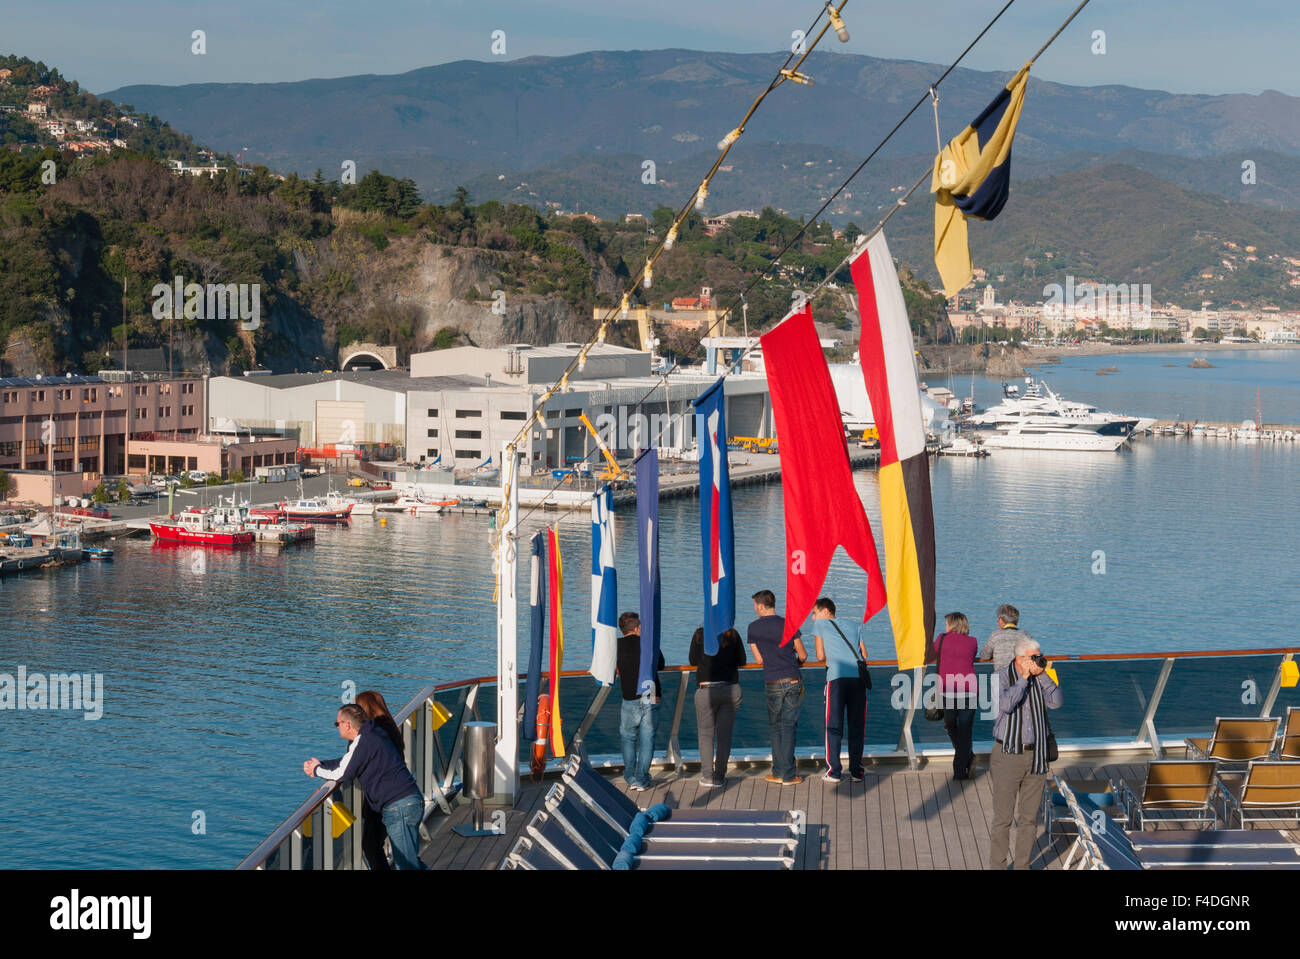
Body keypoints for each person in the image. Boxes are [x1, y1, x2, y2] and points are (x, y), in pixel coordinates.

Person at [303, 702, 427, 870]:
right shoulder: (370, 734)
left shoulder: (365, 741)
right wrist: (322, 764)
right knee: (410, 861)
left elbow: (344, 773)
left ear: (347, 725)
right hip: (406, 802)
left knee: (407, 865)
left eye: (337, 723)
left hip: (399, 807)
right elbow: (347, 762)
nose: (337, 727)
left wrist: (317, 770)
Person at [988, 636, 1062, 870]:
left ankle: (1022, 866)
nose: (1038, 661)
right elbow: (1007, 704)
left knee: (1029, 819)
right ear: (1019, 658)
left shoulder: (1042, 677)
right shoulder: (999, 677)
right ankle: (997, 867)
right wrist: (1024, 679)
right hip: (1008, 754)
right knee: (1003, 820)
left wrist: (1042, 676)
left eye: (1039, 656)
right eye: (1033, 657)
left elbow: (1057, 702)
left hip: (1037, 755)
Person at [747, 589, 808, 786]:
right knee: (789, 727)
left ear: (762, 606)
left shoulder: (753, 628)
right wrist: (795, 663)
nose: (755, 609)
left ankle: (778, 772)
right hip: (792, 679)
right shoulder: (789, 623)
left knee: (775, 727)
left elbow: (759, 660)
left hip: (772, 681)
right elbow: (803, 655)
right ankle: (789, 775)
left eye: (755, 605)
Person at [809, 597, 868, 783]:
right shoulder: (854, 625)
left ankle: (833, 771)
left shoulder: (820, 625)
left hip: (836, 679)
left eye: (814, 613)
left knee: (833, 726)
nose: (812, 618)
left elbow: (819, 656)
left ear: (826, 611)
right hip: (858, 680)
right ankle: (857, 771)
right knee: (857, 726)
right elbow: (864, 654)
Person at [355, 690, 405, 871]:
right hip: (396, 796)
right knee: (401, 853)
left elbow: (353, 761)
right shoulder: (390, 728)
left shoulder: (373, 732)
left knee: (371, 846)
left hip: (383, 798)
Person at [689, 626, 745, 787]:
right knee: (724, 737)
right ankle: (719, 776)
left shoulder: (700, 634)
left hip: (706, 689)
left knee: (706, 734)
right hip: (730, 688)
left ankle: (707, 776)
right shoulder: (733, 634)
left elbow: (693, 660)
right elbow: (742, 660)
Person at [615, 610, 665, 791]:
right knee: (647, 739)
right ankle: (642, 779)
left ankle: (630, 776)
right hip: (651, 695)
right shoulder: (648, 643)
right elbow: (661, 664)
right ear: (637, 628)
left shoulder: (615, 646)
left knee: (628, 738)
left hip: (629, 697)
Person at [934, 613, 978, 780]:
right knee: (965, 730)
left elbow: (932, 651)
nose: (945, 626)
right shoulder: (972, 641)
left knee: (950, 724)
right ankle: (965, 760)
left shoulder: (942, 639)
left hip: (949, 689)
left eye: (946, 623)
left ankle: (961, 767)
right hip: (969, 689)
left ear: (952, 624)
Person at [979, 603, 1033, 671]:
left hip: (1001, 676)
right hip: (1021, 676)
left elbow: (984, 656)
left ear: (1001, 620)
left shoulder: (996, 635)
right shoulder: (1026, 635)